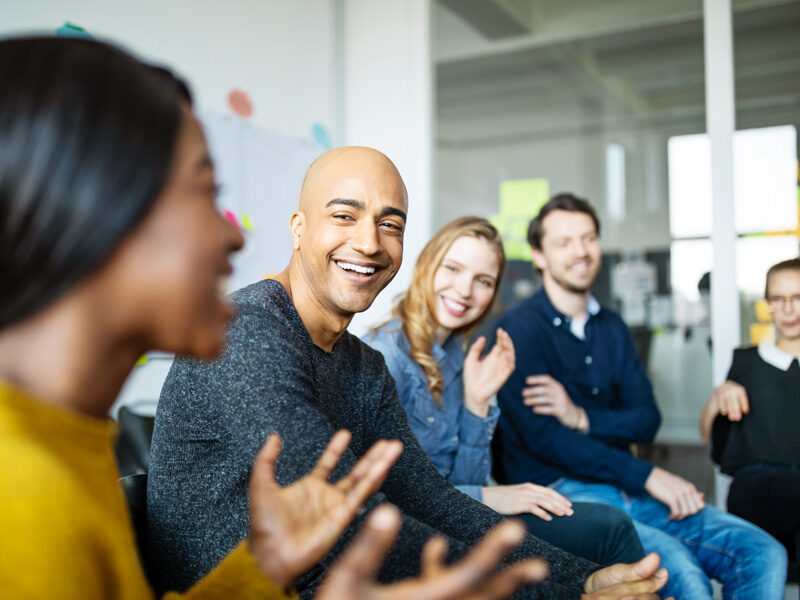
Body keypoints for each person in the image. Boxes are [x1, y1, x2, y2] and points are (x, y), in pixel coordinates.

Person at [0, 35, 553, 600]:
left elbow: (422, 497)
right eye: (199, 194)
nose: (233, 234)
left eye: (390, 224)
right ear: (95, 216)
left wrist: (259, 571)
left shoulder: (69, 444)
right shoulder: (23, 492)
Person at [148, 147, 672, 600]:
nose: (371, 243)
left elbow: (431, 497)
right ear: (299, 228)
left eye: (390, 224)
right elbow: (349, 523)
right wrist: (562, 593)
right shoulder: (250, 330)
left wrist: (582, 581)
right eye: (344, 216)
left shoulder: (363, 365)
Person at [494, 192, 788, 600]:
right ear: (539, 255)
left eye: (588, 238)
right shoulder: (519, 331)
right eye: (564, 242)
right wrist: (648, 474)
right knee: (683, 575)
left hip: (628, 488)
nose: (580, 252)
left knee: (762, 551)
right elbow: (547, 441)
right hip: (565, 494)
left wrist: (582, 417)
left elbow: (647, 419)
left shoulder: (612, 327)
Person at [364, 216, 645, 566]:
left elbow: (463, 481)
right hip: (412, 536)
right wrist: (490, 495)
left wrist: (476, 403)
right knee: (611, 529)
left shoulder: (456, 357)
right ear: (427, 266)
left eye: (483, 281)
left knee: (607, 528)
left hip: (455, 521)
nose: (465, 290)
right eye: (453, 269)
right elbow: (389, 492)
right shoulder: (384, 357)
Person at [701, 257, 800, 568]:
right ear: (767, 304)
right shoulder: (745, 362)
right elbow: (709, 438)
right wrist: (720, 396)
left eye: (798, 298)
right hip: (757, 503)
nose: (788, 309)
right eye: (778, 299)